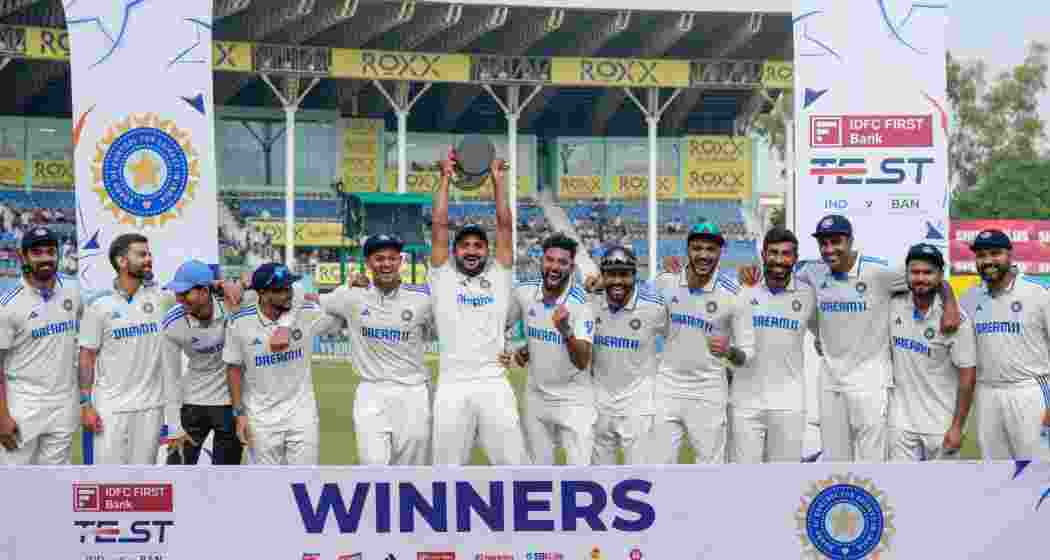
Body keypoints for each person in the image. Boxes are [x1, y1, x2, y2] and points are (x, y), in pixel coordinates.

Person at [747, 214, 961, 462]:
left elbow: (931, 277)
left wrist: (950, 303)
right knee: (836, 460)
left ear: (850, 241)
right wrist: (751, 277)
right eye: (823, 243)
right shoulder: (813, 272)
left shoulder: (878, 272)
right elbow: (780, 275)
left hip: (870, 382)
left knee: (873, 461)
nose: (829, 250)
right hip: (830, 381)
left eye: (836, 242)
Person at [428, 155, 530, 465]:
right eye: (465, 246)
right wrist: (445, 178)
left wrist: (498, 182)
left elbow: (504, 225)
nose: (471, 250)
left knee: (514, 466)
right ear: (455, 251)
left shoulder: (498, 277)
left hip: (493, 383)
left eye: (478, 246)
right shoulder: (443, 277)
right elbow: (439, 224)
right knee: (446, 471)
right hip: (452, 385)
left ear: (486, 251)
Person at [319, 234, 434, 465]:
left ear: (401, 262)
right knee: (373, 468)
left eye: (392, 258)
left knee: (411, 473)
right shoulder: (350, 295)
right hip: (371, 392)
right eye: (379, 258)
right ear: (368, 263)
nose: (386, 264)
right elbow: (312, 300)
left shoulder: (423, 299)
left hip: (413, 393)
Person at [651, 222, 754, 464]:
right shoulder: (666, 281)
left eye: (711, 249)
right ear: (687, 249)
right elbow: (637, 311)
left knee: (709, 469)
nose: (704, 255)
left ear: (720, 252)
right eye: (697, 248)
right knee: (658, 466)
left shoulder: (734, 294)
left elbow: (747, 353)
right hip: (667, 387)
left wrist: (729, 351)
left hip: (708, 391)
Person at [223, 263, 343, 465]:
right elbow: (233, 368)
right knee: (265, 488)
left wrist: (352, 288)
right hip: (261, 418)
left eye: (289, 287)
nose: (287, 293)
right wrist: (239, 414)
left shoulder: (305, 313)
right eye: (279, 290)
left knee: (304, 483)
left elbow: (340, 311)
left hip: (302, 415)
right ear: (261, 292)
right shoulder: (239, 323)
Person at [79, 233, 170, 464]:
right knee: (109, 479)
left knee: (144, 479)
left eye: (149, 254)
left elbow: (196, 294)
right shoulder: (99, 306)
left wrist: (220, 285)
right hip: (110, 408)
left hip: (151, 407)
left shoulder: (160, 298)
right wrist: (86, 404)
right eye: (141, 254)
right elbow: (87, 357)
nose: (149, 259)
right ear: (121, 261)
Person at [504, 233, 595, 465]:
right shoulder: (524, 293)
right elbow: (498, 326)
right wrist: (520, 350)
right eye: (550, 260)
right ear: (541, 261)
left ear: (572, 267)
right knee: (539, 476)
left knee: (580, 476)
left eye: (562, 262)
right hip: (536, 398)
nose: (554, 267)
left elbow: (583, 360)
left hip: (574, 400)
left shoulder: (581, 303)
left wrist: (565, 331)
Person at [960, 230, 1050, 460]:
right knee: (995, 471)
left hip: (1030, 391)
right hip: (987, 393)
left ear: (1010, 255)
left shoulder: (1039, 293)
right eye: (981, 255)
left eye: (995, 254)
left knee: (1037, 470)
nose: (988, 261)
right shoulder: (970, 298)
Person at [730, 227, 817, 463]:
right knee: (743, 482)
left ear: (795, 259)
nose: (779, 260)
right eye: (773, 253)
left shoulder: (809, 294)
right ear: (763, 254)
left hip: (788, 403)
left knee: (784, 483)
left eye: (786, 254)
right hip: (745, 402)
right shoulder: (744, 289)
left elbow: (826, 334)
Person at [888, 244, 977, 461]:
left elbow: (968, 377)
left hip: (941, 424)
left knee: (942, 492)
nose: (920, 278)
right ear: (906, 274)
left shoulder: (958, 321)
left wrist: (957, 427)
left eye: (928, 273)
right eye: (915, 272)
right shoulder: (893, 304)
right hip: (901, 424)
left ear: (940, 275)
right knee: (898, 490)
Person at [0, 227, 81, 464]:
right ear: (23, 257)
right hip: (22, 405)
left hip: (64, 403)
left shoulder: (73, 290)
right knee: (14, 482)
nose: (45, 258)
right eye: (36, 252)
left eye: (50, 251)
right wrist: (2, 416)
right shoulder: (8, 305)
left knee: (56, 483)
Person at [586, 246, 666, 464]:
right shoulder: (590, 303)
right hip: (599, 404)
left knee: (640, 477)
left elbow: (680, 338)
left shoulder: (654, 308)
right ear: (603, 276)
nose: (618, 281)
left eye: (624, 274)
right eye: (612, 274)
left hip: (638, 407)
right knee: (600, 480)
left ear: (634, 276)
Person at [161, 259, 244, 465]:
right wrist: (173, 425)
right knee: (177, 472)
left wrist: (240, 283)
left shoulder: (232, 303)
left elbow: (292, 291)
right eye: (177, 293)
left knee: (226, 478)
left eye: (185, 293)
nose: (179, 299)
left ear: (205, 292)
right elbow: (169, 377)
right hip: (192, 402)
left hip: (229, 404)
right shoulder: (173, 322)